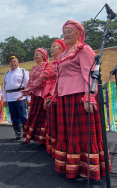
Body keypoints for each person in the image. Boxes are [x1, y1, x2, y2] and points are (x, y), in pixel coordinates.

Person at [53, 20, 112, 180]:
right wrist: (54, 94)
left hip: (79, 96)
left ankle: (87, 169)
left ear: (79, 33)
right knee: (69, 133)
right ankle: (73, 165)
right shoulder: (64, 53)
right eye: (64, 31)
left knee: (81, 134)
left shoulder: (83, 49)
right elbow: (59, 77)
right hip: (65, 97)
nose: (66, 34)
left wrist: (89, 96)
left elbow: (90, 74)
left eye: (70, 31)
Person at [19, 48, 49, 147]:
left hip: (42, 94)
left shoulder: (46, 65)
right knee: (34, 115)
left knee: (42, 117)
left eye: (37, 55)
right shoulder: (33, 68)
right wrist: (25, 90)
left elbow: (43, 80)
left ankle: (43, 140)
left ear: (43, 56)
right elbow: (29, 81)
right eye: (34, 54)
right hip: (34, 94)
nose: (35, 56)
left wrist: (29, 89)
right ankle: (34, 137)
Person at [3, 53, 30, 141]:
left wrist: (29, 98)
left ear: (18, 62)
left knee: (22, 117)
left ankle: (26, 135)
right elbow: (5, 88)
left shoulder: (23, 72)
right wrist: (5, 99)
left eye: (14, 61)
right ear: (9, 63)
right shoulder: (6, 74)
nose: (13, 63)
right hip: (10, 98)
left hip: (20, 97)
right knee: (14, 117)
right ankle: (17, 133)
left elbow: (28, 86)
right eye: (11, 62)